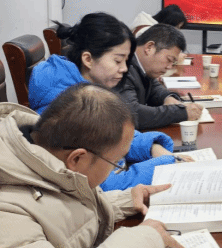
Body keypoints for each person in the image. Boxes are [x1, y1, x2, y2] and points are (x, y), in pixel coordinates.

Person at [0, 84, 184, 248]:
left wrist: (125, 200)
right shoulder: (6, 212)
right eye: (116, 162)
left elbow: (60, 210)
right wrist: (147, 239)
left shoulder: (44, 156)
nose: (116, 168)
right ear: (77, 158)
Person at [28, 13, 181, 191]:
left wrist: (150, 147)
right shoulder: (72, 106)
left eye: (126, 61)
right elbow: (105, 186)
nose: (124, 69)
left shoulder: (82, 85)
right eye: (118, 60)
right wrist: (166, 165)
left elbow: (111, 132)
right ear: (88, 59)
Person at [115, 24, 203, 130]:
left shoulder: (143, 66)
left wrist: (168, 98)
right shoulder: (123, 68)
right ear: (149, 47)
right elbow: (132, 114)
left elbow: (154, 87)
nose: (169, 67)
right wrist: (181, 113)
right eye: (169, 60)